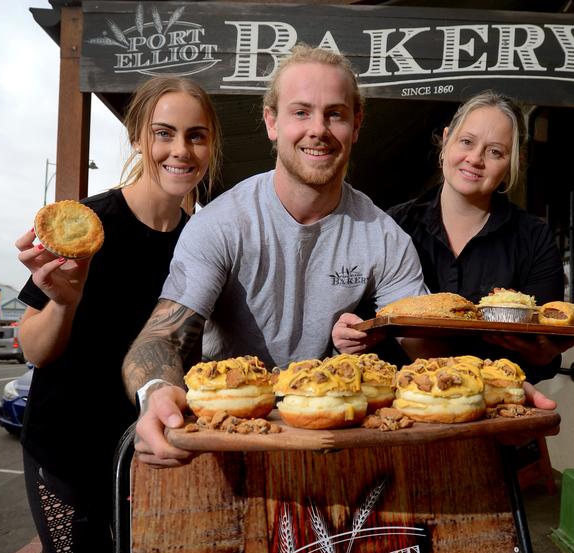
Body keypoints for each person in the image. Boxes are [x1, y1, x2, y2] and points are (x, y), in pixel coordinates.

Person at [15, 76, 221, 553]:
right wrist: (64, 299)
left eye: (196, 136)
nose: (179, 150)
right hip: (66, 452)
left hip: (150, 462)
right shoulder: (88, 225)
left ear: (211, 146)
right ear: (140, 133)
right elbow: (33, 346)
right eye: (165, 132)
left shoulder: (204, 240)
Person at [122, 44, 427, 468]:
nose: (317, 129)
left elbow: (423, 343)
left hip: (324, 439)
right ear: (272, 122)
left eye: (335, 114)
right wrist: (156, 393)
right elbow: (160, 338)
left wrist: (483, 380)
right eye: (300, 112)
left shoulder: (385, 237)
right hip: (227, 438)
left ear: (356, 124)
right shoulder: (222, 223)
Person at [333, 90, 574, 381]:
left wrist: (545, 356)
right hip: (402, 405)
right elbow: (361, 320)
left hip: (497, 407)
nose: (475, 159)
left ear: (514, 161)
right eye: (467, 142)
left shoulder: (534, 238)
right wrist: (349, 336)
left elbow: (544, 344)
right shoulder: (392, 225)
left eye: (495, 151)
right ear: (446, 140)